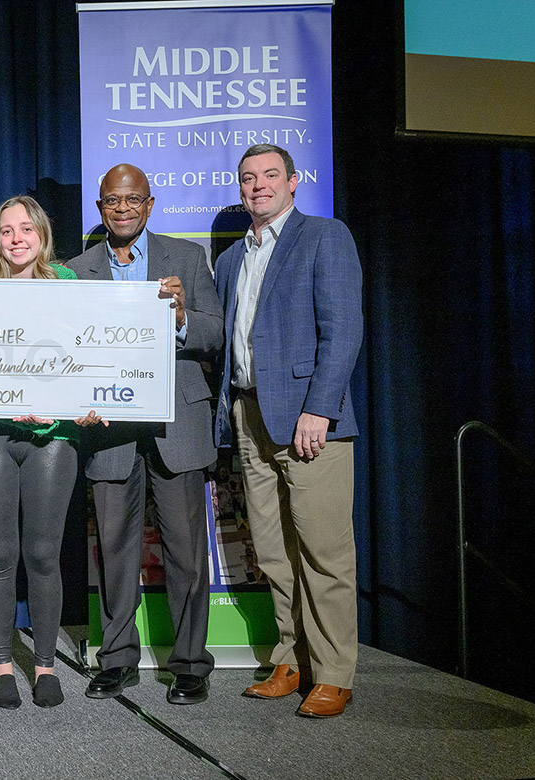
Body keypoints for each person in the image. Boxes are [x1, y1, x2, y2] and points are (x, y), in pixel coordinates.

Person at [213, 144, 363, 718]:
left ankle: (334, 672)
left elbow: (343, 330)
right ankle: (291, 658)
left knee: (324, 550)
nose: (258, 186)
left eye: (270, 175)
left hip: (308, 419)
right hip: (249, 417)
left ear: (293, 182)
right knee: (273, 553)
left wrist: (320, 409)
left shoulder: (325, 236)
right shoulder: (231, 261)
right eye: (248, 178)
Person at [67, 165, 223, 705]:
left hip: (176, 423)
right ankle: (116, 660)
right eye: (113, 201)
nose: (123, 208)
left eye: (133, 200)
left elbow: (215, 331)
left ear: (151, 204)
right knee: (113, 551)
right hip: (109, 433)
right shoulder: (76, 270)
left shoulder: (186, 257)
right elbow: (67, 350)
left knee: (186, 552)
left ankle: (189, 664)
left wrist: (180, 317)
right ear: (101, 205)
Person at [0, 195, 91, 709]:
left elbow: (90, 354)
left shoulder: (68, 283)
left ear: (42, 236)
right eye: (6, 231)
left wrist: (80, 403)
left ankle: (43, 667)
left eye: (26, 230)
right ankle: (0, 668)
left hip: (53, 436)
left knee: (42, 554)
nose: (16, 240)